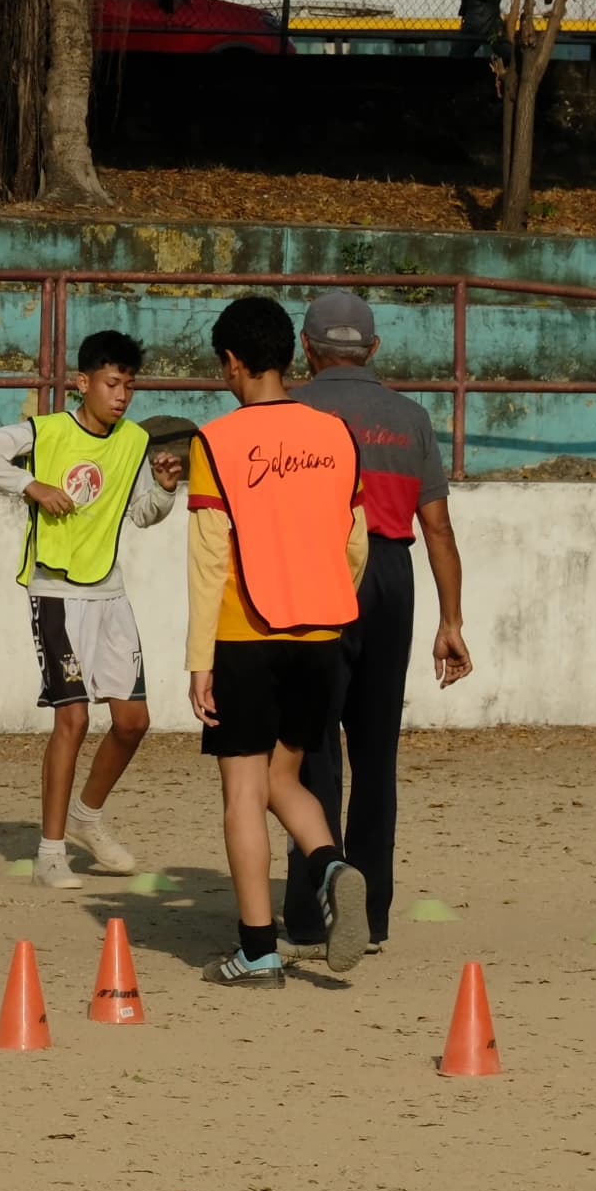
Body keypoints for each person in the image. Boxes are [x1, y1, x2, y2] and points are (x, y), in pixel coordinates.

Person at [0, 331, 185, 891]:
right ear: (83, 383)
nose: (122, 394)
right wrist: (30, 483)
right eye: (112, 383)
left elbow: (141, 514)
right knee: (74, 719)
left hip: (110, 593)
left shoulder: (133, 441)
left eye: (130, 384)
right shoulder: (48, 430)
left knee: (133, 722)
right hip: (55, 593)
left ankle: (88, 816)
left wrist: (164, 489)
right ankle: (50, 851)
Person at [185, 296, 373, 984]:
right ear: (290, 354)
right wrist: (328, 596)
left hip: (245, 633)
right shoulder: (336, 435)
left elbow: (209, 561)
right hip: (322, 631)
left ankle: (258, 948)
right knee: (284, 777)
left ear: (233, 362)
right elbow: (356, 544)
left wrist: (198, 660)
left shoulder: (216, 442)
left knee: (242, 789)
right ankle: (331, 864)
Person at [283, 290, 469, 957]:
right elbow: (439, 528)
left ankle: (310, 910)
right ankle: (376, 914)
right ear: (375, 350)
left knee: (311, 745)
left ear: (306, 349)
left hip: (314, 574)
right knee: (375, 750)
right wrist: (450, 620)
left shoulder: (292, 410)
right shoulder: (411, 417)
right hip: (391, 575)